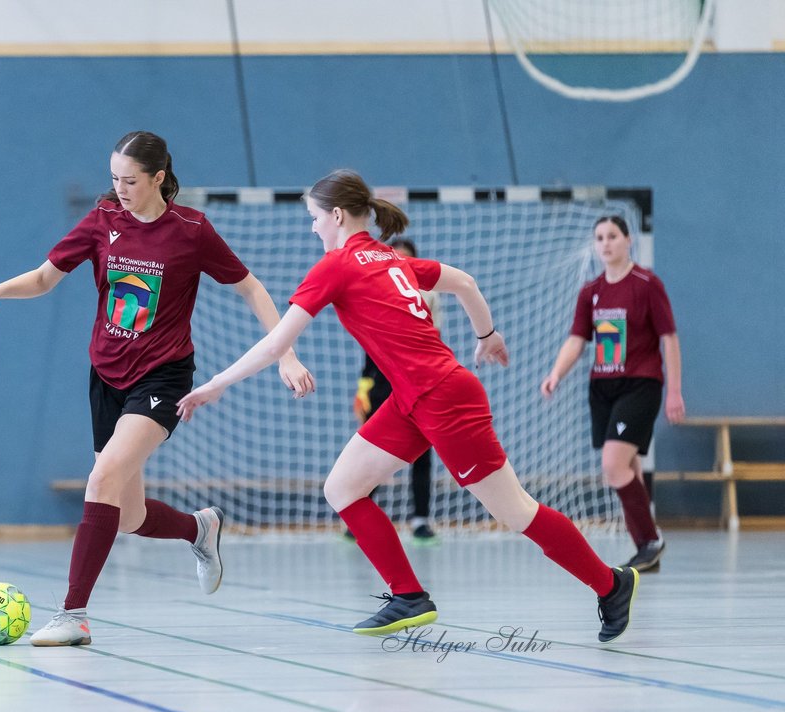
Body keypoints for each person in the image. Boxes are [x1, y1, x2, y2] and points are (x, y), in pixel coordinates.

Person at [177, 169, 638, 643]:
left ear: (336, 215)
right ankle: (409, 596)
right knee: (342, 488)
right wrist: (487, 335)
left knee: (517, 511)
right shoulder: (389, 258)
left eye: (314, 218)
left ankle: (610, 584)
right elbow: (464, 281)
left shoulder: (337, 265)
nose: (312, 227)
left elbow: (277, 344)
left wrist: (215, 384)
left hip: (443, 397)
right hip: (413, 399)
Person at [0, 131, 315, 646]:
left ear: (158, 178)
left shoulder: (191, 230)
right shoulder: (102, 221)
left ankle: (73, 615)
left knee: (102, 477)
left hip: (162, 378)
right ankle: (199, 530)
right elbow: (45, 278)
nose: (121, 189)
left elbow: (251, 287)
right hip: (106, 376)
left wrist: (285, 353)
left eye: (130, 180)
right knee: (127, 515)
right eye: (114, 179)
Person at [540, 216, 684, 573]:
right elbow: (577, 339)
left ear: (627, 240)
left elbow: (669, 339)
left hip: (641, 384)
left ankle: (651, 540)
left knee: (612, 465)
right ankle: (646, 551)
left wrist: (674, 392)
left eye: (613, 236)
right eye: (600, 238)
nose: (606, 244)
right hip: (602, 388)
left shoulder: (647, 284)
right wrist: (556, 373)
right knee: (628, 466)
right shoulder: (591, 291)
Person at [352, 236, 439, 545]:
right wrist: (363, 389)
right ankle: (359, 516)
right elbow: (369, 352)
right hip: (382, 387)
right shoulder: (374, 295)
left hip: (417, 384)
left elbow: (433, 343)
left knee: (422, 454)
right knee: (372, 454)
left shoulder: (427, 297)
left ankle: (420, 519)